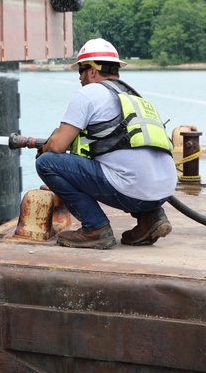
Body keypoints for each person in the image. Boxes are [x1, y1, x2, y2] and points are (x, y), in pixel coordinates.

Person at [35, 38, 178, 250]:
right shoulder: (135, 97)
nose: (80, 79)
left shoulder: (89, 93)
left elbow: (57, 146)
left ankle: (95, 228)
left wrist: (44, 147)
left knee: (46, 162)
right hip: (163, 190)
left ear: (92, 71)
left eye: (81, 72)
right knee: (126, 166)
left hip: (132, 191)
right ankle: (152, 217)